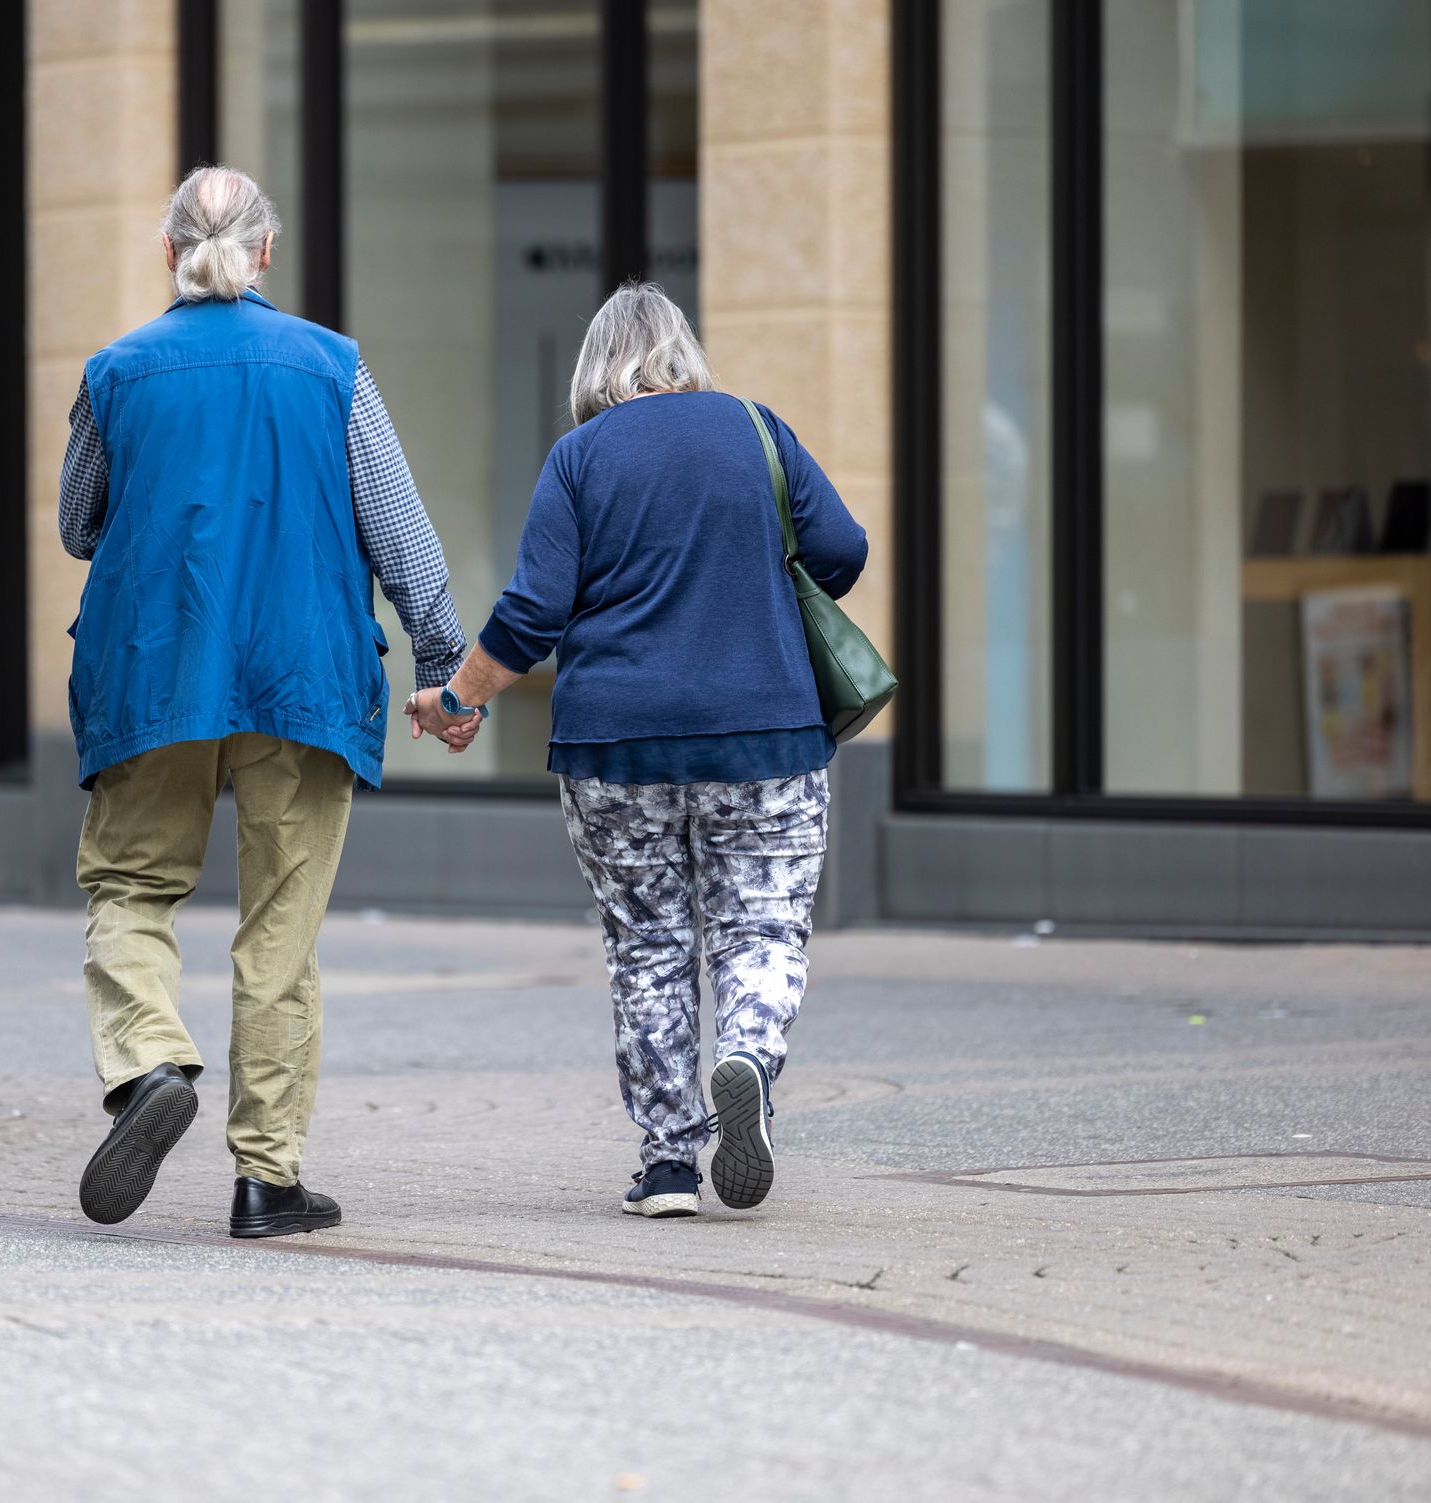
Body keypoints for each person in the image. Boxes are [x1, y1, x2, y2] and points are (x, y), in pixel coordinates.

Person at [59, 166, 472, 1239]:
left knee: (131, 888)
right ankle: (265, 1177)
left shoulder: (114, 373)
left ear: (167, 254)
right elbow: (397, 527)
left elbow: (78, 523)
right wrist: (443, 662)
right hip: (301, 671)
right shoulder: (331, 367)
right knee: (281, 928)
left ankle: (148, 1065)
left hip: (155, 667)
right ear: (265, 254)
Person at [405, 282, 867, 1219]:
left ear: (595, 368)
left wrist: (458, 699)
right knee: (762, 927)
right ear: (681, 354)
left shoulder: (580, 456)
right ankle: (747, 1057)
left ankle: (666, 1164)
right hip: (765, 730)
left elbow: (533, 611)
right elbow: (844, 551)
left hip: (614, 745)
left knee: (648, 943)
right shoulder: (758, 429)